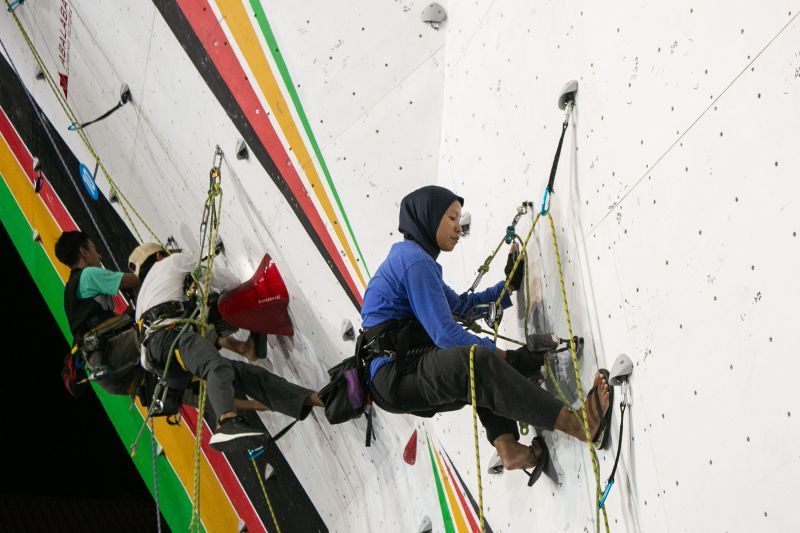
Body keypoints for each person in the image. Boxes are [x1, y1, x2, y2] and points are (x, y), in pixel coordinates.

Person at [360, 185, 610, 483]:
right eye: (451, 217)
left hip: (400, 376)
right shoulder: (414, 262)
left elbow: (462, 307)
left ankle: (509, 447)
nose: (458, 227)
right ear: (429, 218)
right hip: (396, 376)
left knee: (473, 372)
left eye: (458, 218)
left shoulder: (416, 261)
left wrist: (510, 286)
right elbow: (446, 335)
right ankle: (579, 424)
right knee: (475, 360)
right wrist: (508, 358)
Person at [129, 243, 323, 452]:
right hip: (169, 340)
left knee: (244, 375)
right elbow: (226, 280)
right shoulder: (171, 262)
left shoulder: (145, 298)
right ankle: (226, 422)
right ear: (159, 255)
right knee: (216, 367)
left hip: (162, 364)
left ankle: (317, 399)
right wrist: (241, 295)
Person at [55, 231, 143, 395]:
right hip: (110, 356)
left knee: (169, 382)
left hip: (106, 374)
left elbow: (110, 325)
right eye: (94, 248)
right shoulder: (88, 275)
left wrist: (132, 310)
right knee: (152, 330)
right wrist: (157, 263)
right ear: (83, 252)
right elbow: (136, 280)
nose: (100, 255)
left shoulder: (71, 291)